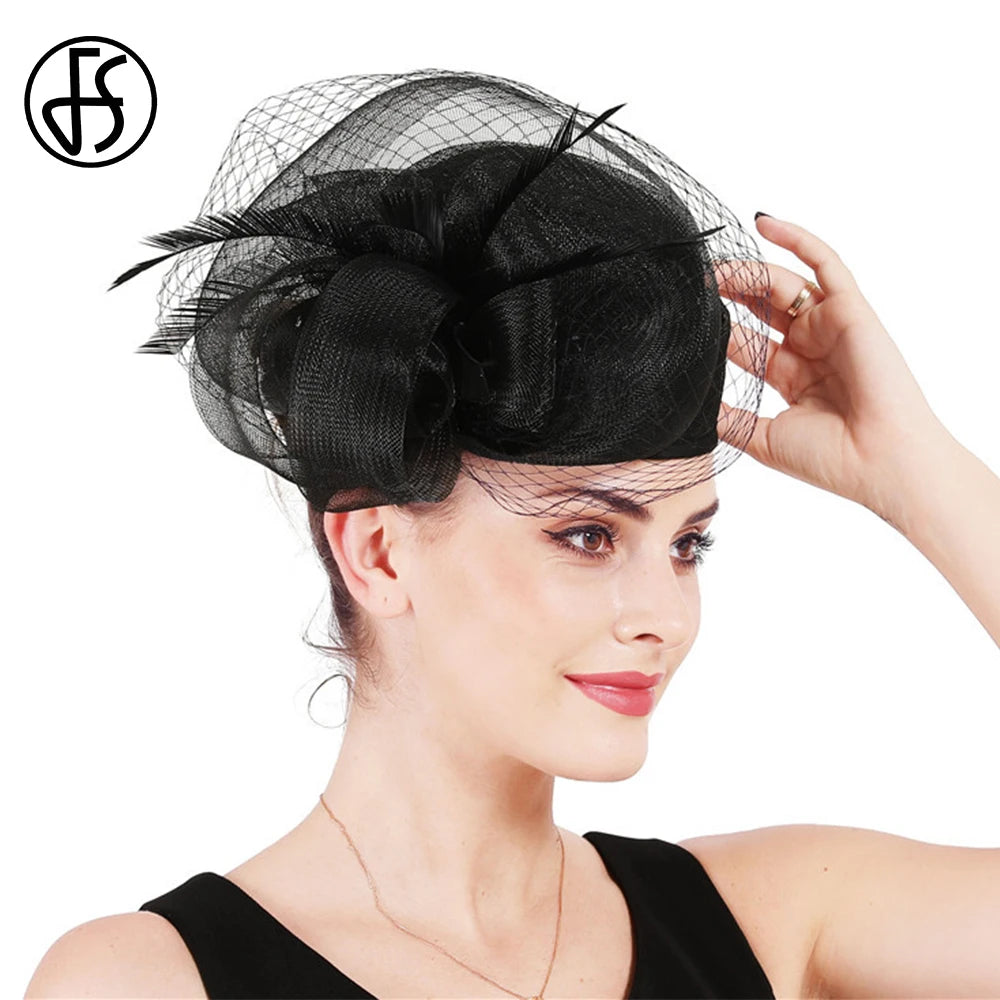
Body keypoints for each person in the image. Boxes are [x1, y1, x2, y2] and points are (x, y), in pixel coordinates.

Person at [25, 69, 1000, 999]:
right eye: (588, 536)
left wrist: (915, 471)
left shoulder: (773, 922)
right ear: (379, 553)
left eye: (686, 545)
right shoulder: (144, 980)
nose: (664, 617)